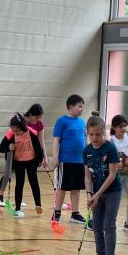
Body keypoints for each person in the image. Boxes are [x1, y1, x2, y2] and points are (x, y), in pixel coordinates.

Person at [83, 116, 122, 255]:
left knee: (109, 225)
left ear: (103, 133)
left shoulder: (110, 148)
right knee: (97, 226)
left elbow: (112, 175)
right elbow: (87, 176)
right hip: (96, 192)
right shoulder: (87, 151)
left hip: (112, 191)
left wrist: (97, 194)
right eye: (91, 135)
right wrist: (89, 194)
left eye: (98, 134)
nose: (95, 138)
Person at [50, 95, 88, 226]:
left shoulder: (82, 122)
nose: (82, 109)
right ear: (71, 107)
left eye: (82, 106)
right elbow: (56, 140)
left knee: (76, 189)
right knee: (62, 188)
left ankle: (75, 213)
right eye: (80, 106)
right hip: (65, 161)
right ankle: (57, 213)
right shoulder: (62, 121)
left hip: (80, 161)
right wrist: (55, 157)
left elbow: (85, 140)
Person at [0, 113, 45, 216]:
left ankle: (38, 204)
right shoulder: (11, 133)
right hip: (18, 162)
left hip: (31, 161)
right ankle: (17, 208)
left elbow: (38, 148)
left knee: (34, 182)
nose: (15, 133)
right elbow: (0, 148)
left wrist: (41, 159)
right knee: (19, 183)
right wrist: (9, 147)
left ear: (23, 127)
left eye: (17, 131)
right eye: (13, 131)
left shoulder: (31, 132)